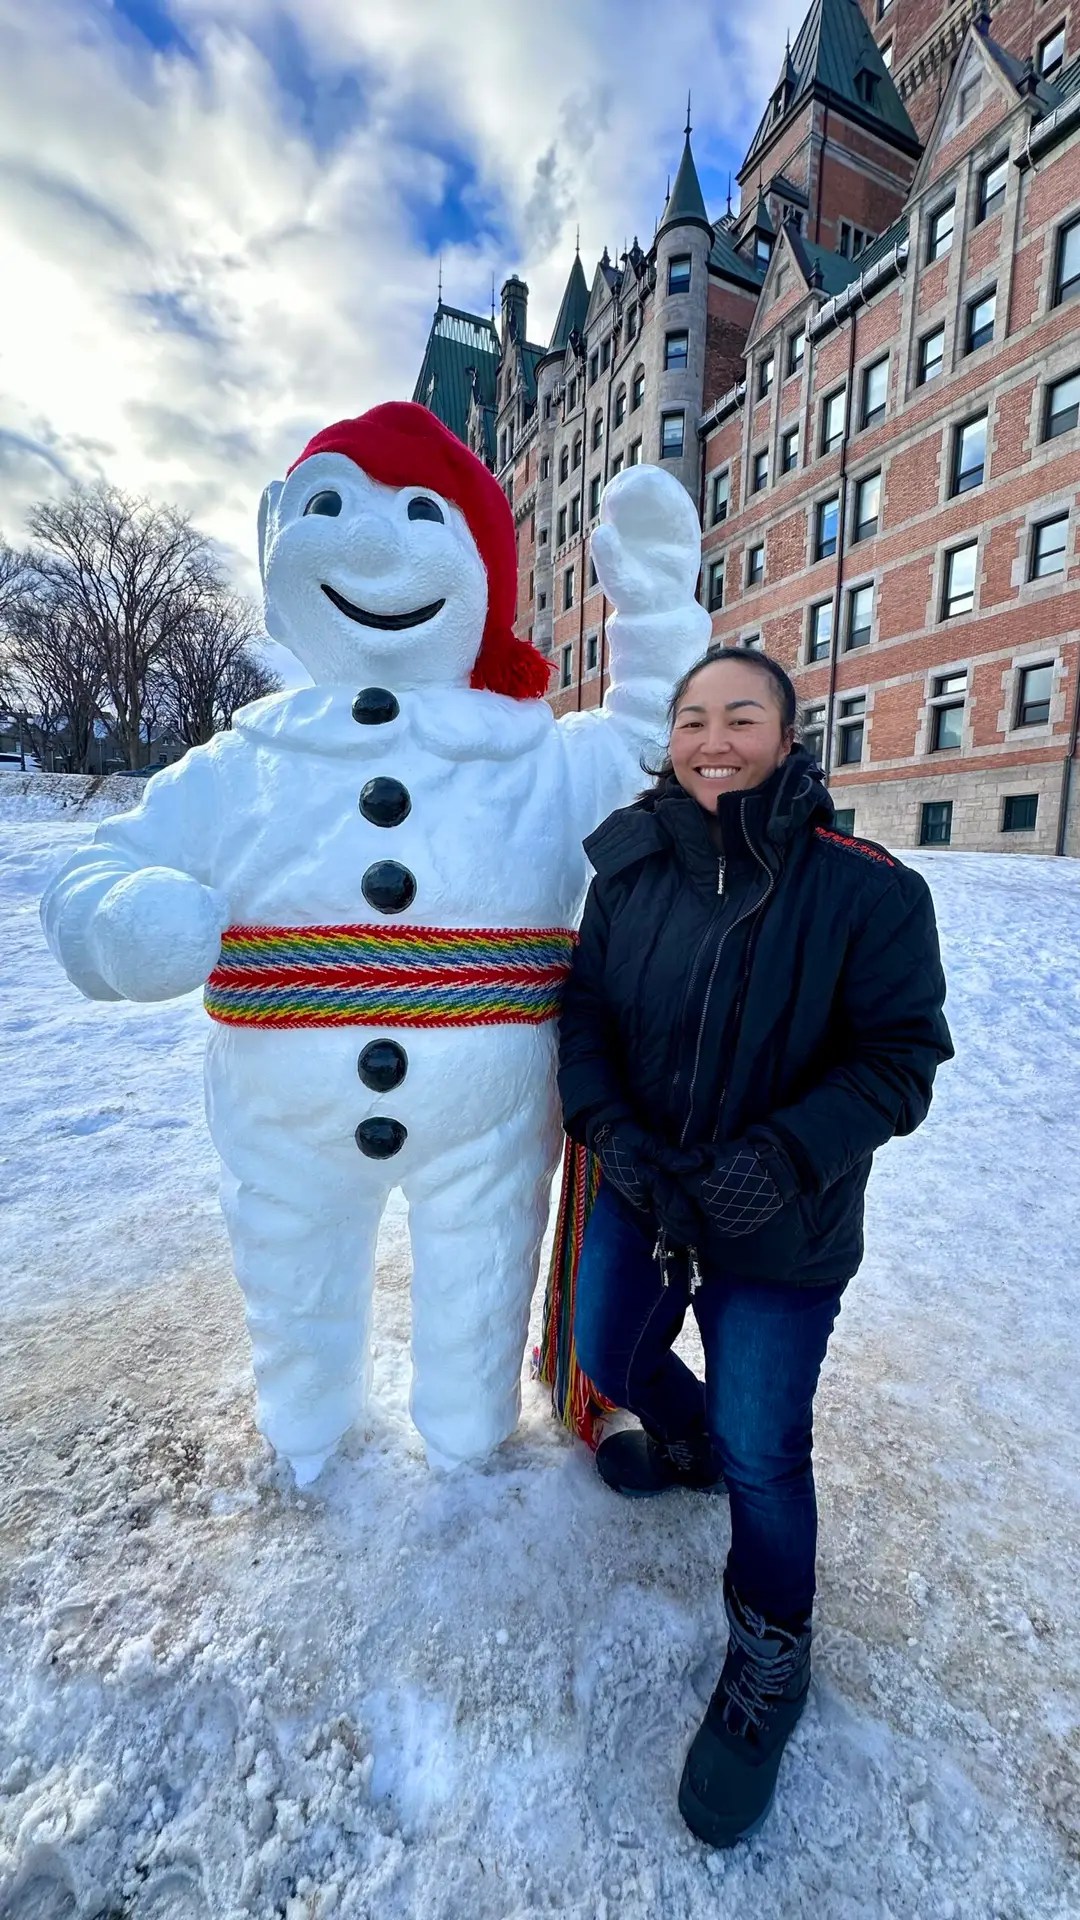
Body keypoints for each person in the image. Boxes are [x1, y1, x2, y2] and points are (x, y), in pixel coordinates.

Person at [556, 646, 953, 1849]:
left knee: (765, 1446)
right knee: (607, 1353)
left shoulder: (867, 891)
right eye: (692, 719)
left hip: (786, 1220)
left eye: (741, 718)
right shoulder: (630, 865)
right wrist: (609, 1128)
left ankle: (772, 1647)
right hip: (647, 1188)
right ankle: (687, 1447)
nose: (713, 741)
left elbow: (901, 1061)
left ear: (788, 737)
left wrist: (779, 1157)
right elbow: (585, 1010)